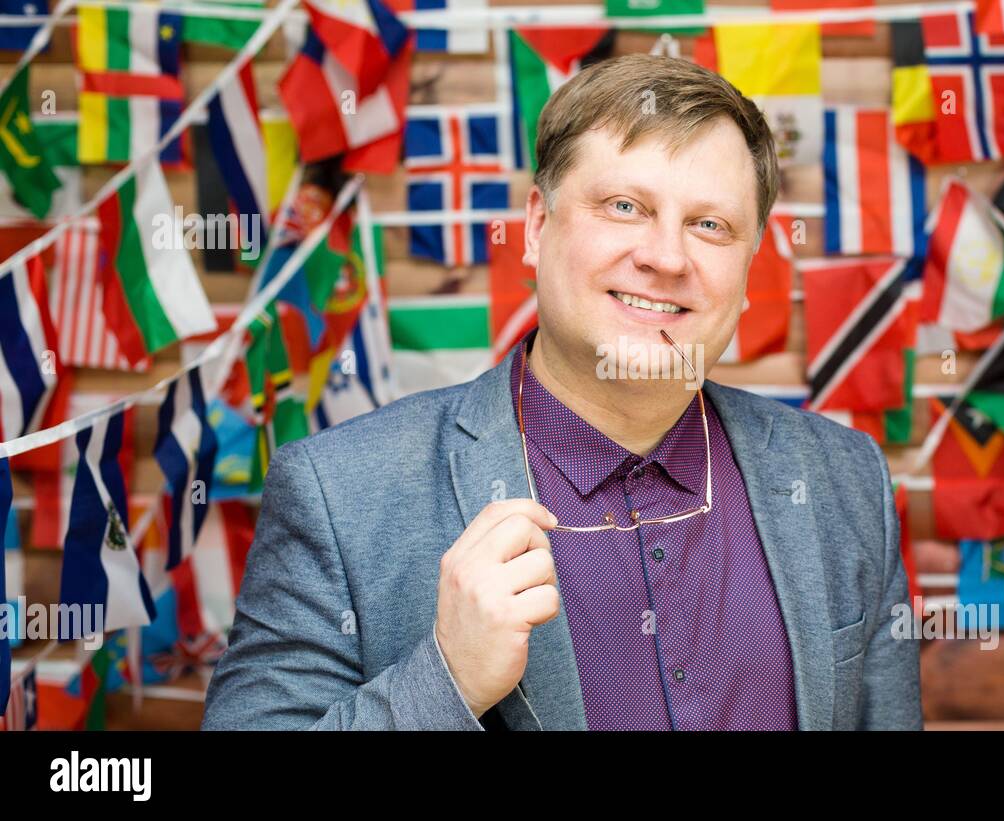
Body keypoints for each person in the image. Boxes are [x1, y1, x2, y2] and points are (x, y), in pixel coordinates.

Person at [202, 53, 921, 731]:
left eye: (710, 225)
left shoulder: (841, 479)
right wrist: (445, 678)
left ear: (749, 262)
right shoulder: (340, 493)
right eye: (624, 206)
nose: (666, 257)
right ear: (537, 227)